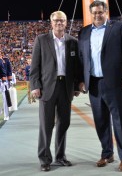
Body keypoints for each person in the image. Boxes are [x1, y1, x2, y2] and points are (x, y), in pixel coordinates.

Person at [78, 0, 122, 172]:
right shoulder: (84, 32)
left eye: (100, 12)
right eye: (94, 12)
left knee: (120, 121)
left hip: (116, 83)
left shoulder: (118, 28)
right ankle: (107, 153)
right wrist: (82, 79)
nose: (97, 15)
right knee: (101, 121)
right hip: (94, 83)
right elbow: (82, 59)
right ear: (91, 13)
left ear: (106, 12)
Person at [30, 10, 82, 172]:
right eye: (56, 21)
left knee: (63, 124)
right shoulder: (41, 40)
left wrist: (76, 86)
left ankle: (60, 157)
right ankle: (45, 159)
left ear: (66, 23)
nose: (59, 23)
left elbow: (76, 68)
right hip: (46, 88)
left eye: (62, 21)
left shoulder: (73, 41)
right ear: (51, 23)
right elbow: (35, 66)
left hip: (65, 88)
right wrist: (35, 86)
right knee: (46, 125)